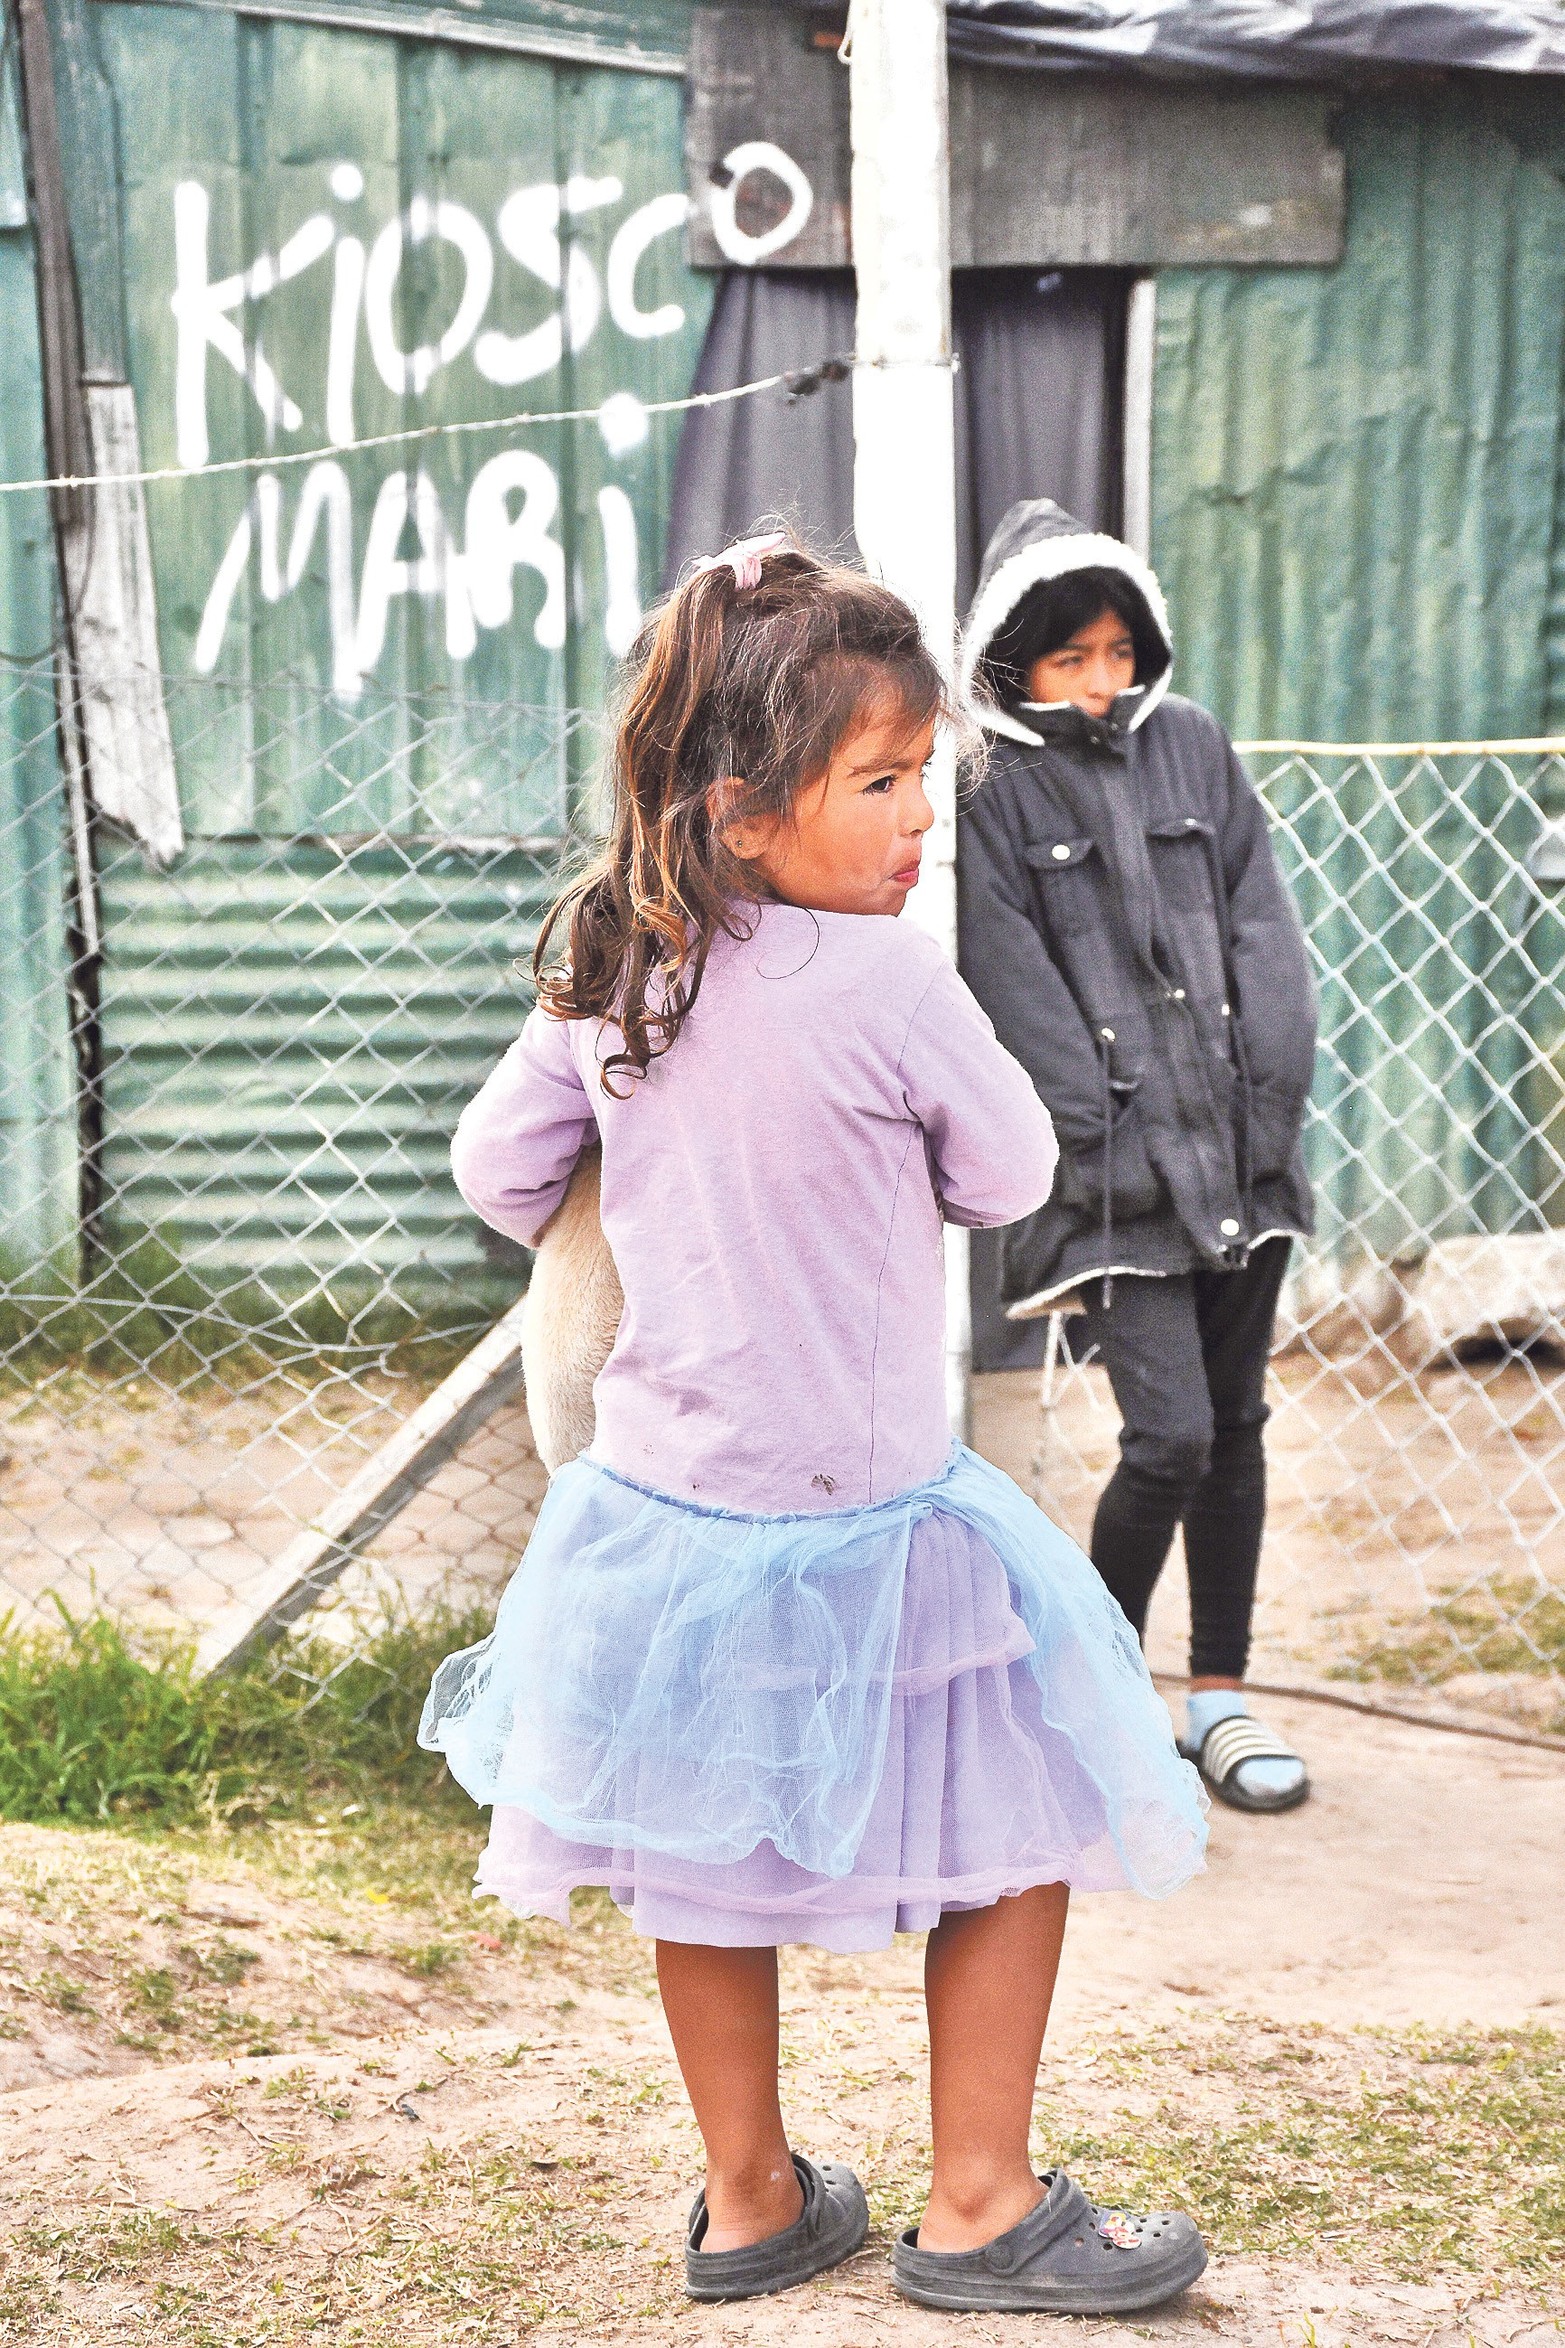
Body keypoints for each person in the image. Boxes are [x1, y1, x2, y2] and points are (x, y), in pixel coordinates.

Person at [419, 532, 1210, 2315]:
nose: (919, 816)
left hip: (663, 1520)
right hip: (879, 1515)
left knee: (694, 1860)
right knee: (1023, 1827)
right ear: (742, 809)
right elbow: (1009, 1168)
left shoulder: (619, 981)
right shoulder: (893, 986)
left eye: (923, 773)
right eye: (882, 781)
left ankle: (754, 2195)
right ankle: (979, 2199)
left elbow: (496, 1169)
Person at [958, 498, 1318, 1816]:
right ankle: (1101, 1698)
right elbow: (1012, 984)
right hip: (1109, 1182)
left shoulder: (1196, 752)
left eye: (1117, 653)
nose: (1101, 683)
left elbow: (1262, 935)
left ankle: (1215, 1699)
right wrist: (1090, 1141)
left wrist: (1266, 1114)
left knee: (1234, 1431)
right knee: (1165, 1437)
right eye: (1071, 659)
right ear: (1015, 664)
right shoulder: (989, 794)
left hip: (1238, 1159)